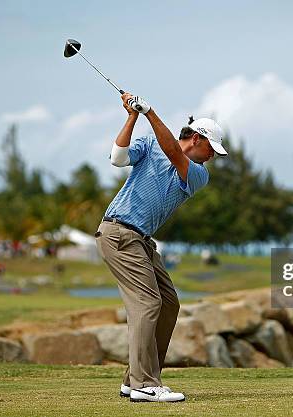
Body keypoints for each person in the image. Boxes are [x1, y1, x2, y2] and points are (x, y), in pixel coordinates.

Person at [95, 93, 227, 403]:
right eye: (211, 149)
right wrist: (133, 116)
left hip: (140, 240)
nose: (212, 157)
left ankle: (133, 380)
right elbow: (117, 158)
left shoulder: (197, 174)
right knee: (147, 303)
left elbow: (172, 151)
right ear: (197, 138)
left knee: (168, 303)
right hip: (119, 233)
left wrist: (150, 112)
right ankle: (144, 383)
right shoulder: (150, 143)